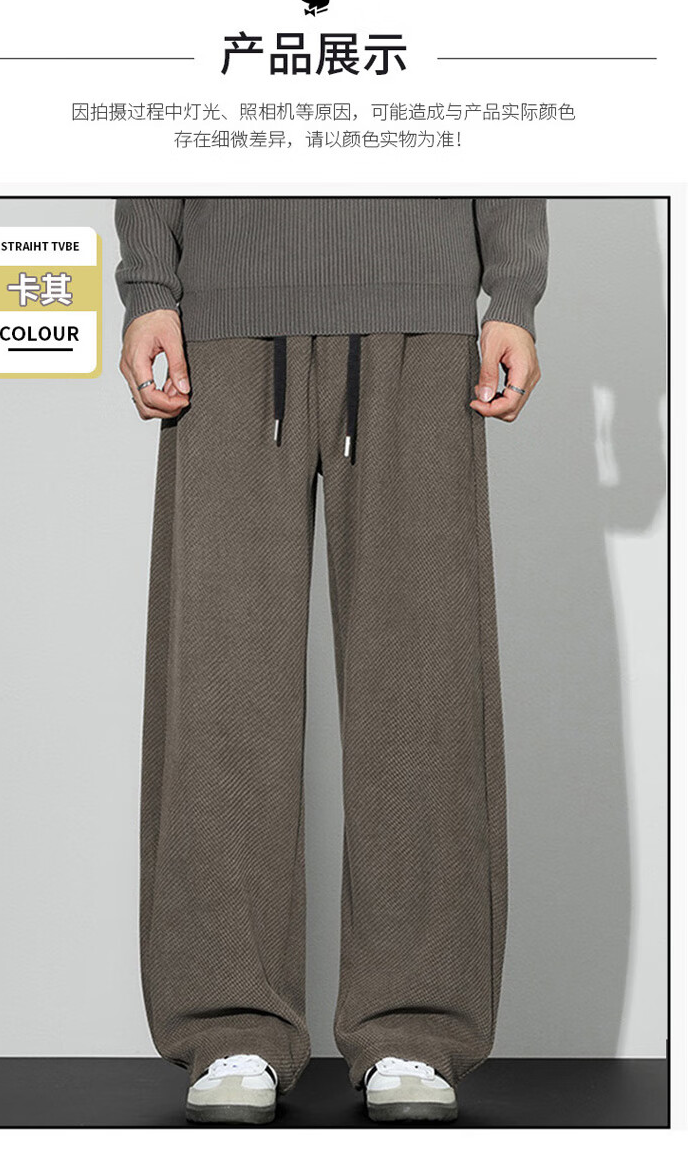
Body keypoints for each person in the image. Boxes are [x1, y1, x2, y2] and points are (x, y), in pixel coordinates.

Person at [114, 197, 548, 1125]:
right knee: (223, 680)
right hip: (227, 313)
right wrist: (149, 284)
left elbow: (502, 100)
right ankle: (229, 1020)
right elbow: (154, 101)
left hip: (419, 304)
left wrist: (513, 291)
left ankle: (415, 1025)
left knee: (423, 680)